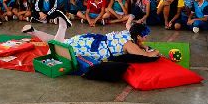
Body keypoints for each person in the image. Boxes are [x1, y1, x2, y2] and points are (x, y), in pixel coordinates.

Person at [22, 18, 160, 64]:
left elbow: (129, 24)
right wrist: (156, 52)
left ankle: (34, 31)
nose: (146, 39)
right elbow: (147, 56)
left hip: (89, 39)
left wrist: (130, 17)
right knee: (56, 48)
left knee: (62, 41)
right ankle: (62, 26)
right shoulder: (130, 44)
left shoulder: (127, 33)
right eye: (144, 36)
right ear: (138, 36)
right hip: (94, 49)